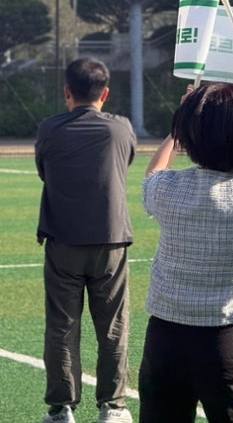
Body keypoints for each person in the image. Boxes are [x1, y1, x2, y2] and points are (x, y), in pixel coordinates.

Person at [138, 82, 233, 423]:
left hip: (164, 335)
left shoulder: (166, 190)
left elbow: (153, 173)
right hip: (227, 338)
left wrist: (180, 124)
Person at [35, 57, 137, 423]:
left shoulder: (49, 128)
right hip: (110, 240)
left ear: (67, 91)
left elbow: (44, 171)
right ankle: (113, 406)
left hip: (63, 240)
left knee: (62, 326)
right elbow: (123, 164)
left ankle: (61, 408)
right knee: (113, 327)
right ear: (105, 93)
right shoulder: (120, 128)